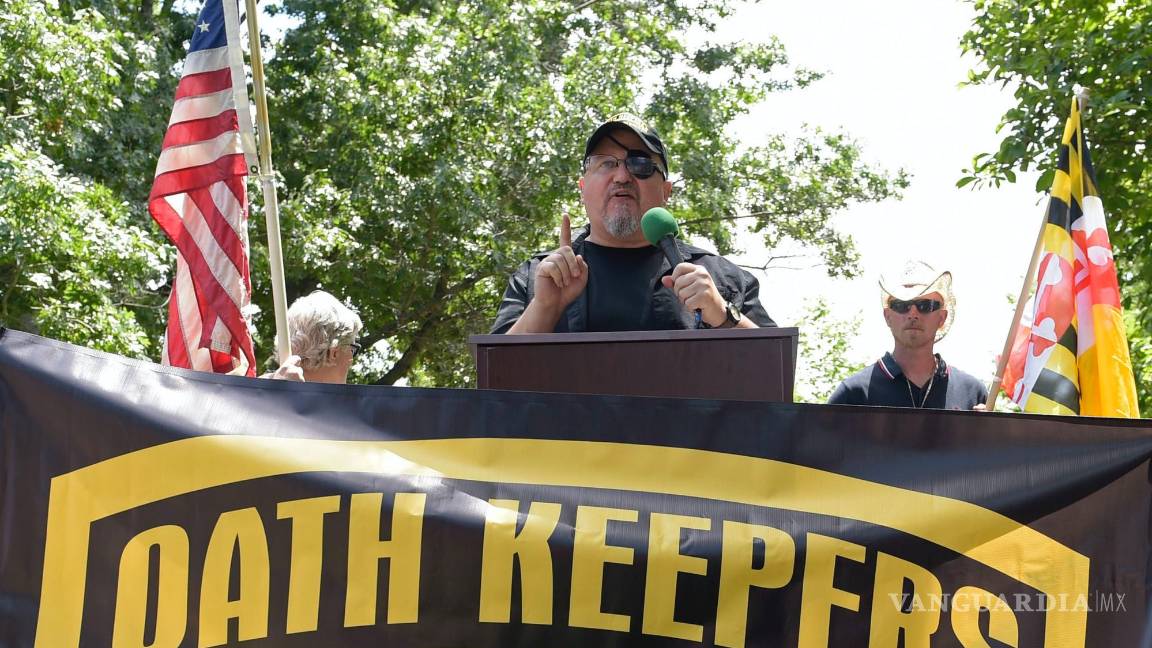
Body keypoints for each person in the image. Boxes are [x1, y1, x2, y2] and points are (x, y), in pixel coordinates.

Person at [491, 114, 774, 334]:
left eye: (639, 164)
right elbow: (494, 382)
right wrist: (544, 308)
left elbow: (774, 373)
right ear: (582, 188)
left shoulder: (721, 280)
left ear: (666, 191)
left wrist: (721, 314)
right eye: (606, 164)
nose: (622, 176)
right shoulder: (538, 277)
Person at [828, 261, 987, 409]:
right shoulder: (852, 393)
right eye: (901, 305)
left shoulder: (973, 393)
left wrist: (988, 431)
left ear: (942, 318)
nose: (913, 314)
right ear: (887, 316)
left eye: (925, 305)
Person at [265, 290, 363, 384]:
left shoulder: (256, 394)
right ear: (334, 353)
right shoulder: (354, 400)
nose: (351, 360)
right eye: (352, 349)